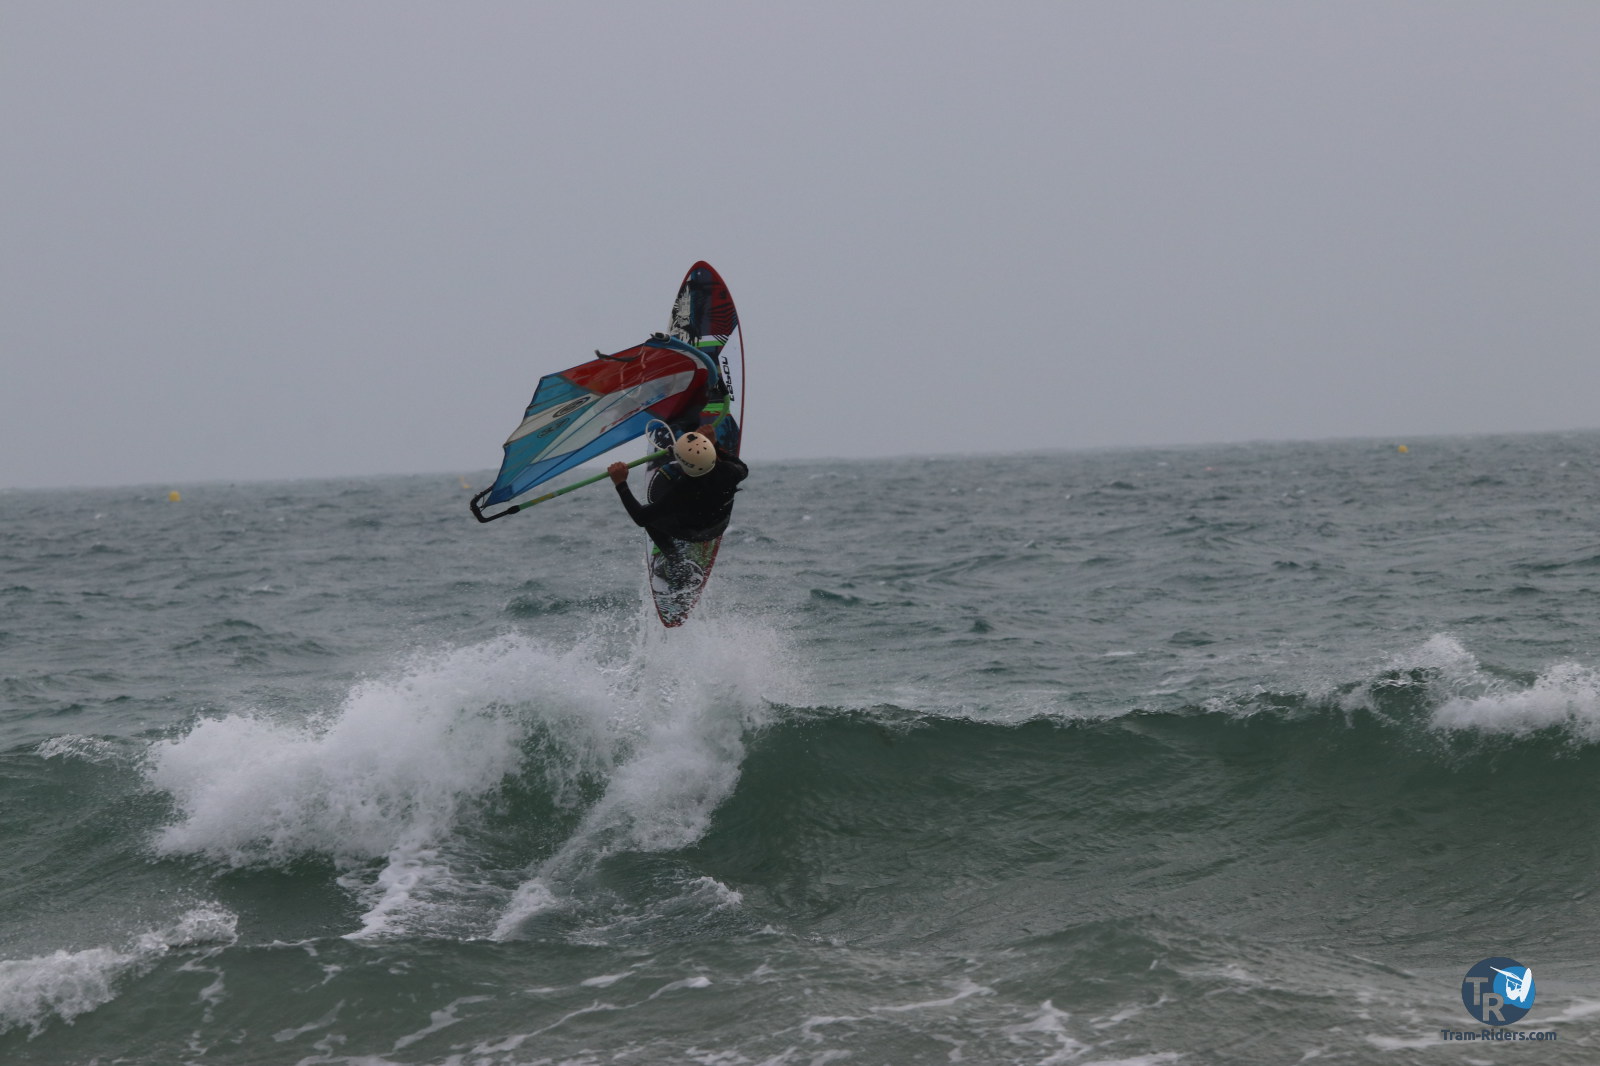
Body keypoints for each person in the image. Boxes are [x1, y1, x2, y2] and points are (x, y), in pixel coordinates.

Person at [608, 430, 748, 572]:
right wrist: (715, 444)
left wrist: (620, 483)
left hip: (694, 533)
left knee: (651, 518)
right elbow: (743, 467)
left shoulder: (682, 491)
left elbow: (640, 517)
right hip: (720, 524)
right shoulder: (732, 471)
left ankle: (676, 561)